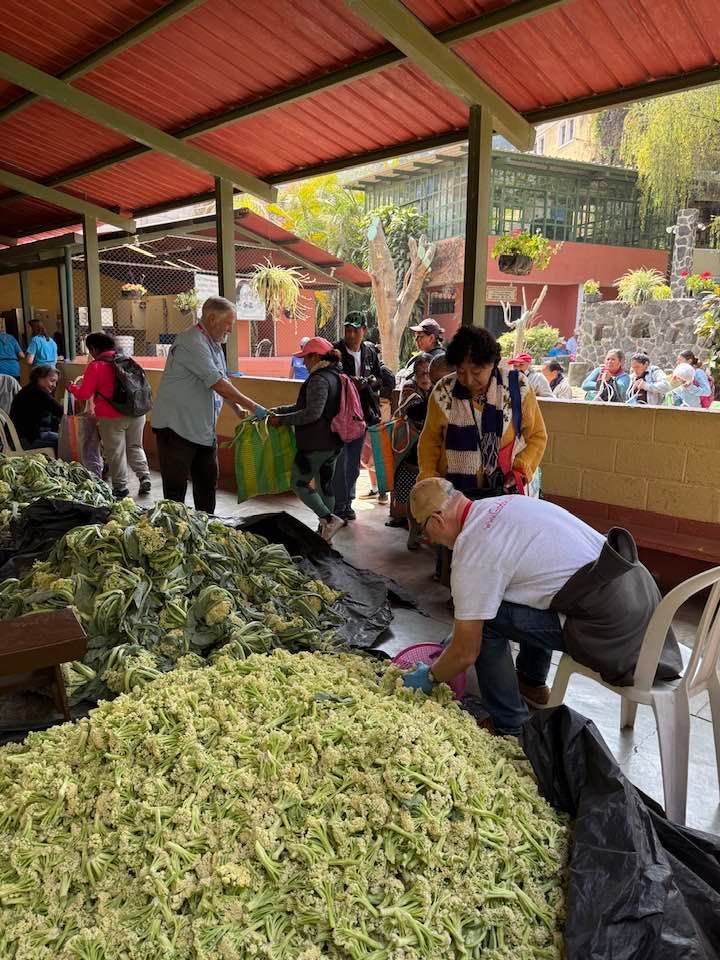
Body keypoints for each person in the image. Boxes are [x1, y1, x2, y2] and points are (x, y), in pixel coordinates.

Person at [401, 477, 683, 735]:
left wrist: (431, 676)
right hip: (641, 595)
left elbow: (465, 653)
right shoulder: (504, 503)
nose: (430, 540)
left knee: (487, 623)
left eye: (426, 532)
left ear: (437, 521)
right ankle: (532, 682)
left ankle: (510, 724)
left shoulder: (471, 554)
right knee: (519, 591)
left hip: (611, 628)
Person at [152, 296, 264, 513]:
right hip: (176, 428)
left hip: (202, 430)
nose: (230, 330)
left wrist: (236, 408)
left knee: (207, 483)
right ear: (212, 318)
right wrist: (255, 407)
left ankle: (207, 530)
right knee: (175, 492)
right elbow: (217, 383)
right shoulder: (191, 341)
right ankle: (175, 535)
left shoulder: (213, 345)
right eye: (228, 324)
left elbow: (223, 380)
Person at [418, 327, 546, 496]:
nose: (468, 380)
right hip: (454, 494)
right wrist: (430, 480)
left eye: (476, 372)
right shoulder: (444, 391)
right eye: (461, 371)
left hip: (506, 492)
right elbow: (429, 441)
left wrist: (521, 470)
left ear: (492, 364)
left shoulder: (517, 387)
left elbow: (537, 436)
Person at [269, 337, 345, 542]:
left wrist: (282, 420)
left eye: (306, 358)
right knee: (325, 484)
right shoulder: (336, 375)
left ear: (316, 356)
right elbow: (306, 407)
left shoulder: (319, 379)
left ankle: (328, 520)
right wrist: (282, 411)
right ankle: (325, 534)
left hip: (316, 444)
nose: (303, 363)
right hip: (334, 441)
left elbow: (312, 414)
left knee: (298, 482)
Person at [67, 332, 152, 499]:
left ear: (93, 348)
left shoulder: (96, 366)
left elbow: (84, 394)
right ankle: (144, 476)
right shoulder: (127, 360)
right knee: (135, 446)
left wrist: (72, 388)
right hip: (136, 412)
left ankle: (120, 487)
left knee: (116, 451)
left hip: (111, 416)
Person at [332, 311, 387, 522]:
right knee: (341, 462)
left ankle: (348, 503)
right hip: (341, 417)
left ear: (364, 330)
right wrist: (351, 382)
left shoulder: (370, 352)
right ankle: (339, 505)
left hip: (362, 416)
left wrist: (372, 381)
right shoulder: (335, 351)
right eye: (347, 330)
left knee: (353, 463)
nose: (351, 334)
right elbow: (333, 379)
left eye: (355, 330)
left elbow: (380, 378)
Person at [385, 352, 433, 547]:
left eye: (428, 373)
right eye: (420, 373)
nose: (425, 378)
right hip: (410, 454)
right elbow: (416, 411)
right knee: (411, 496)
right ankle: (414, 532)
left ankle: (424, 531)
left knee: (429, 496)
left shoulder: (437, 390)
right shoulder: (410, 389)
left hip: (430, 454)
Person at [9, 365, 62, 453]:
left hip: (25, 436)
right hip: (27, 439)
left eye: (56, 382)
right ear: (39, 378)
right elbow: (60, 411)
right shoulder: (38, 393)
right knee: (65, 442)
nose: (54, 385)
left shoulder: (29, 389)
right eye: (52, 381)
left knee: (61, 437)